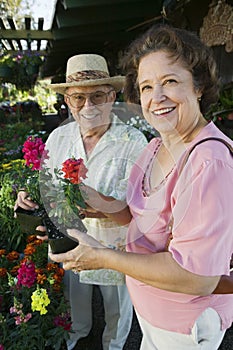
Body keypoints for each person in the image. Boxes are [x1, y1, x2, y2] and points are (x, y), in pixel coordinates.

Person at [49, 25, 233, 350]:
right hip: (152, 315)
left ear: (199, 85)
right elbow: (142, 220)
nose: (156, 97)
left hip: (185, 328)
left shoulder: (209, 161)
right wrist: (96, 202)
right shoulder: (155, 148)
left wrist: (104, 256)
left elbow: (197, 277)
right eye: (147, 86)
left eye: (170, 82)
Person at [15, 54, 148, 350]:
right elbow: (44, 182)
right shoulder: (58, 138)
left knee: (117, 308)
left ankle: (113, 345)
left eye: (98, 96)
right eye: (78, 98)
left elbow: (142, 209)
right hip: (69, 238)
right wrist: (29, 195)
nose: (88, 106)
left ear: (112, 96)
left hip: (116, 244)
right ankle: (75, 338)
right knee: (75, 302)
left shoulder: (134, 141)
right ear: (67, 100)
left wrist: (98, 203)